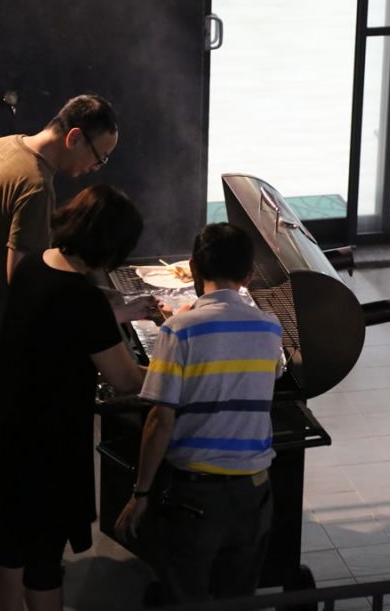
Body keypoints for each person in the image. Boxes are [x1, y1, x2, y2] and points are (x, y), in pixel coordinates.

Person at [0, 93, 154, 548]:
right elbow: (25, 278)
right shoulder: (36, 184)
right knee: (1, 430)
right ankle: (0, 531)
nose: (95, 168)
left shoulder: (2, 146)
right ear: (74, 137)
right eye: (99, 156)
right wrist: (95, 311)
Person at [0, 184, 149, 611]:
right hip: (45, 442)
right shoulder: (83, 300)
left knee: (12, 537)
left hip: (3, 423)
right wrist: (180, 371)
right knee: (44, 555)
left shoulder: (35, 265)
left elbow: (59, 323)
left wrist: (116, 312)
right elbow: (125, 378)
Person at [115, 223, 283, 603]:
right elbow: (249, 371)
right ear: (249, 275)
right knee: (237, 597)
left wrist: (141, 493)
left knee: (186, 596)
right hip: (255, 491)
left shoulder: (179, 331)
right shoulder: (270, 327)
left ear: (193, 267)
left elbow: (160, 420)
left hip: (196, 496)